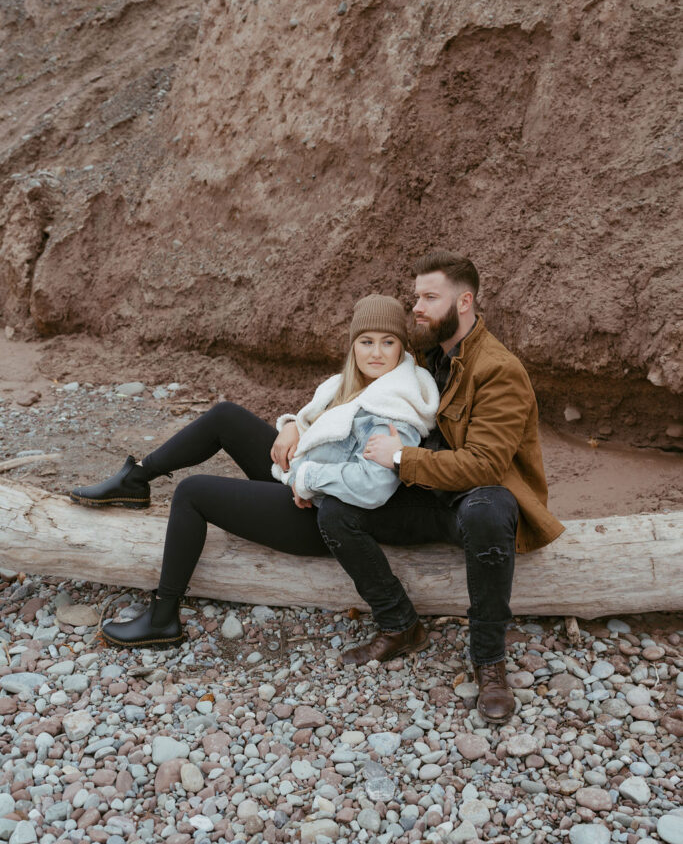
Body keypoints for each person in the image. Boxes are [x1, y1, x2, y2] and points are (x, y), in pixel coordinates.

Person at [69, 295, 439, 651]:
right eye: (366, 341)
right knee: (225, 416)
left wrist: (305, 479)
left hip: (321, 517)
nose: (376, 352)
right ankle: (136, 479)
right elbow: (325, 428)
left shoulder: (394, 408)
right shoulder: (355, 384)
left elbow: (373, 486)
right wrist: (294, 424)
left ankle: (162, 618)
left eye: (387, 342)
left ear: (401, 348)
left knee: (192, 493)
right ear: (353, 346)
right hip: (303, 483)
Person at [311, 252, 566, 723]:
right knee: (336, 511)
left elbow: (487, 464)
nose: (418, 309)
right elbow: (347, 395)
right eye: (416, 298)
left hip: (480, 496)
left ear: (464, 301)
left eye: (430, 297)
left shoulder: (498, 369)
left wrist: (403, 457)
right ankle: (399, 625)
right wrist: (292, 424)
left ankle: (489, 661)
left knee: (487, 510)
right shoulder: (430, 360)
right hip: (431, 496)